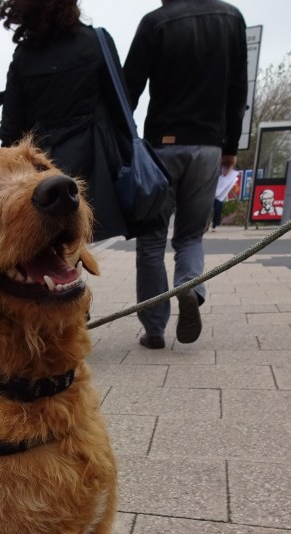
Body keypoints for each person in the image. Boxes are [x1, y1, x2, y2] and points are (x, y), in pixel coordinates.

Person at [123, 0, 248, 349]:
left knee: (151, 239)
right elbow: (238, 89)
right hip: (208, 146)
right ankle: (191, 287)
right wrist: (229, 147)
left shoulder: (155, 23)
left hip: (161, 146)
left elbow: (127, 89)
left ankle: (154, 329)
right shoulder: (230, 17)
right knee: (191, 236)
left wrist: (122, 144)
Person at [0, 0, 131, 242]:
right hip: (95, 161)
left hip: (42, 168)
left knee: (52, 245)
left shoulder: (24, 57)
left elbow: (10, 133)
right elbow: (121, 107)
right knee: (87, 237)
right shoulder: (96, 42)